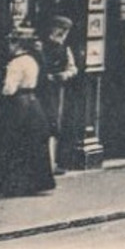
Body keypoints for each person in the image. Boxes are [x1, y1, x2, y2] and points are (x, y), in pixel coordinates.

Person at [0, 30, 56, 196]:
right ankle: (36, 183)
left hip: (18, 105)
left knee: (14, 141)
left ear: (16, 44)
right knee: (33, 143)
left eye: (12, 43)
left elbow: (9, 88)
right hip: (34, 104)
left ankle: (14, 185)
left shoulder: (16, 63)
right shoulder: (33, 60)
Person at [36, 16, 82, 174]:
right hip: (40, 91)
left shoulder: (65, 49)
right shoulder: (40, 46)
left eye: (66, 31)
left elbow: (73, 68)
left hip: (57, 90)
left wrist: (65, 75)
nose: (63, 34)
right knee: (43, 124)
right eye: (60, 30)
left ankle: (53, 162)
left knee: (55, 124)